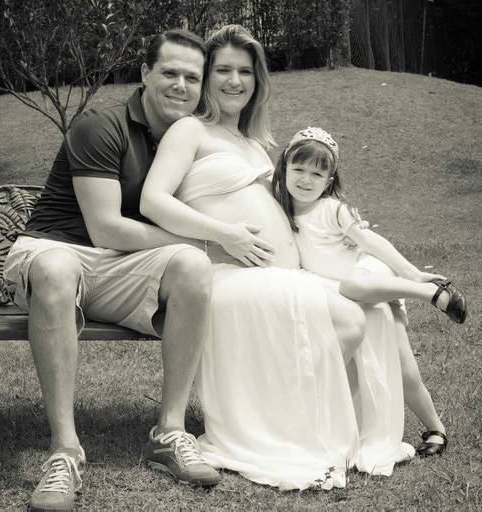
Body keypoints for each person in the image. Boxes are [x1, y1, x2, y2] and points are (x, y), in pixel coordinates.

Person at [140, 24, 411, 490]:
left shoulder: (254, 144)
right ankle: (291, 427)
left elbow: (295, 206)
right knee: (348, 322)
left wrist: (340, 229)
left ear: (257, 80)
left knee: (371, 310)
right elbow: (153, 200)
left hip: (280, 272)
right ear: (207, 76)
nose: (234, 81)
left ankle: (312, 421)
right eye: (223, 70)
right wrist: (225, 235)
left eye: (245, 71)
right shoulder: (190, 130)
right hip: (229, 274)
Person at [3, 29, 227, 512]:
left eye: (192, 78)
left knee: (192, 266)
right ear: (145, 73)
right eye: (170, 72)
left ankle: (169, 434)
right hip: (54, 250)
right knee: (58, 269)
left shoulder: (187, 139)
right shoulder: (100, 126)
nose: (181, 85)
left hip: (120, 267)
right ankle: (64, 453)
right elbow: (104, 227)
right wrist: (204, 241)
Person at [271, 126, 469, 457]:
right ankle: (428, 429)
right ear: (284, 167)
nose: (306, 179)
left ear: (329, 180)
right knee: (401, 365)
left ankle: (431, 295)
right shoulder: (281, 209)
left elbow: (372, 242)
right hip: (351, 293)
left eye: (317, 174)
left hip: (369, 274)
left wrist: (412, 273)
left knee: (404, 366)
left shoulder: (333, 209)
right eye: (299, 169)